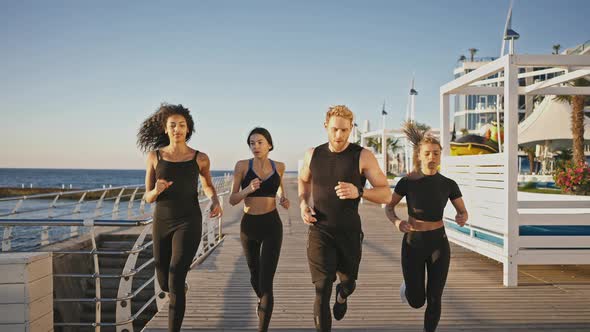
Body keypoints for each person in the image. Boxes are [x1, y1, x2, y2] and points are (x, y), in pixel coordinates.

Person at [298, 105, 391, 331]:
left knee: (348, 283)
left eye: (344, 130)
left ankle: (343, 294)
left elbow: (386, 193)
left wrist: (359, 191)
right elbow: (303, 180)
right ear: (325, 127)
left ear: (351, 129)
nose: (339, 135)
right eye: (334, 130)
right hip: (320, 230)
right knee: (321, 289)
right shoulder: (313, 154)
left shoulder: (362, 156)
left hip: (349, 233)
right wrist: (303, 203)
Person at [138, 103, 222, 332]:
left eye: (181, 125)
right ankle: (179, 289)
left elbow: (207, 185)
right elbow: (148, 197)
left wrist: (215, 200)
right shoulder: (154, 157)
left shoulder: (200, 158)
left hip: (189, 221)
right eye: (172, 125)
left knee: (175, 277)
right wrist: (157, 190)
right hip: (162, 222)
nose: (177, 129)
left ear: (188, 129)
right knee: (165, 282)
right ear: (166, 129)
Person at [385, 135, 468, 332]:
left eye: (436, 153)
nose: (432, 157)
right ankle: (409, 287)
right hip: (413, 243)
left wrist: (462, 217)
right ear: (420, 156)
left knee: (434, 298)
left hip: (438, 242)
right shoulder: (407, 181)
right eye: (427, 153)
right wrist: (397, 221)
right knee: (416, 301)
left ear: (440, 156)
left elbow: (462, 211)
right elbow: (389, 208)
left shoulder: (449, 184)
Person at [229, 127, 290, 332]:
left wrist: (283, 198)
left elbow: (280, 186)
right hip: (249, 226)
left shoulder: (279, 166)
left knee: (266, 280)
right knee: (255, 275)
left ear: (269, 144)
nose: (255, 146)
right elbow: (232, 199)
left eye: (260, 142)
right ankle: (262, 303)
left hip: (272, 225)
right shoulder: (242, 166)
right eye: (252, 143)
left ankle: (262, 326)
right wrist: (248, 189)